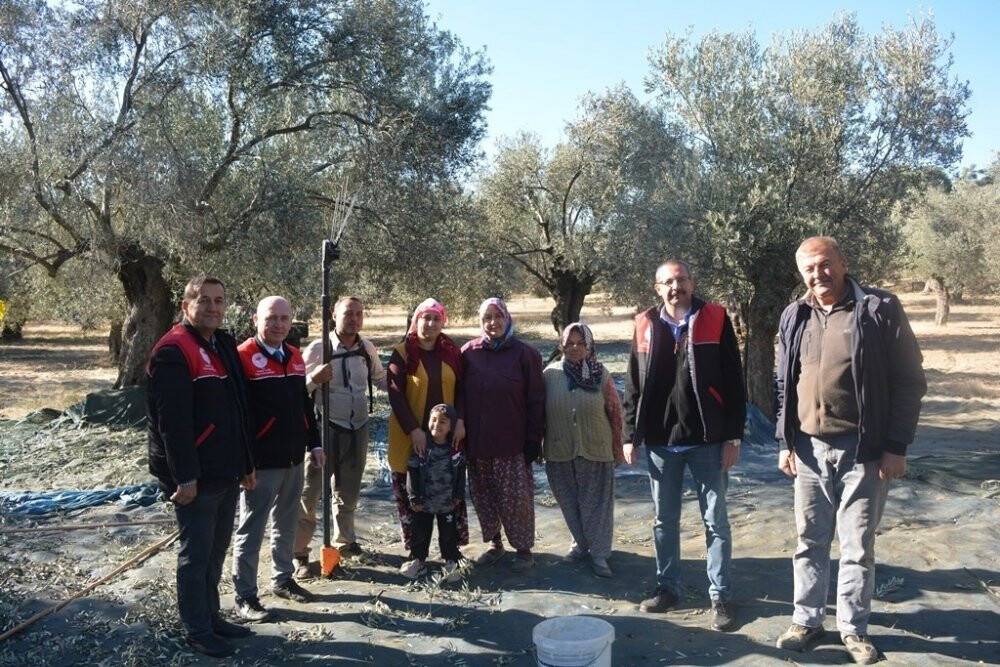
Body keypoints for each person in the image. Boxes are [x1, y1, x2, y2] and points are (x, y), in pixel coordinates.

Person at [774, 236, 926, 664]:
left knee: (857, 545)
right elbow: (784, 382)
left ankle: (853, 630)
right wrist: (785, 441)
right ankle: (806, 620)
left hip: (864, 450)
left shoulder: (879, 309)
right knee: (809, 540)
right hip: (806, 450)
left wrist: (896, 446)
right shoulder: (794, 315)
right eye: (808, 268)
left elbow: (910, 381)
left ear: (842, 262)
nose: (818, 274)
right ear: (800, 273)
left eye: (825, 264)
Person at [622, 260, 746, 632]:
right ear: (657, 288)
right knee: (664, 520)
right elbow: (632, 384)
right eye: (668, 282)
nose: (676, 287)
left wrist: (733, 435)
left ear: (692, 282)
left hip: (707, 440)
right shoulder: (645, 324)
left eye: (681, 280)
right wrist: (630, 435)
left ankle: (720, 595)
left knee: (716, 521)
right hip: (661, 442)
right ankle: (668, 588)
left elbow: (734, 381)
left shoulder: (715, 318)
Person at [146, 275, 256, 658]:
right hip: (196, 477)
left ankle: (212, 616)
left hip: (226, 470)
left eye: (219, 300)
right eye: (204, 300)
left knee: (216, 550)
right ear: (185, 306)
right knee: (195, 556)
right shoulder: (172, 351)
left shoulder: (222, 343)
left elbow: (239, 408)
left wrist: (246, 463)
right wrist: (184, 477)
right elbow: (171, 425)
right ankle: (196, 629)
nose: (213, 307)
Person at [231, 296, 321, 623]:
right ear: (256, 319)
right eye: (271, 318)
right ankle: (245, 596)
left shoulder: (295, 355)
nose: (278, 324)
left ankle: (282, 579)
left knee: (286, 521)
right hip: (260, 463)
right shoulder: (242, 357)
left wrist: (315, 443)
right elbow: (237, 415)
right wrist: (244, 462)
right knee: (251, 528)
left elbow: (304, 406)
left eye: (284, 318)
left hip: (294, 457)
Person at [294, 296, 387, 575]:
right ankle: (298, 553)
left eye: (359, 314)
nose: (354, 319)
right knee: (309, 494)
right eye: (348, 313)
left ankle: (344, 542)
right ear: (334, 315)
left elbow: (380, 379)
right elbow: (296, 390)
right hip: (324, 429)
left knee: (348, 491)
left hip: (358, 427)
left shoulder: (366, 348)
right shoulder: (318, 348)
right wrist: (314, 379)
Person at [461, 298, 545, 572]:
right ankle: (495, 545)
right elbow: (459, 395)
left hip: (512, 443)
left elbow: (536, 399)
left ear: (507, 318)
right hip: (478, 443)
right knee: (485, 497)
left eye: (498, 316)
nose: (493, 322)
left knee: (517, 500)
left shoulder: (525, 353)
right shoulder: (468, 352)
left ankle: (523, 550)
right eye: (487, 317)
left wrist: (534, 439)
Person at [387, 298, 469, 575]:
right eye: (426, 318)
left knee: (448, 495)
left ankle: (451, 555)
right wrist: (415, 430)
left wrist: (460, 422)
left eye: (436, 319)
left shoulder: (451, 352)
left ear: (442, 322)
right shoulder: (402, 352)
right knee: (415, 497)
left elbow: (462, 390)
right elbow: (395, 395)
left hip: (446, 440)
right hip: (410, 437)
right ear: (416, 320)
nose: (431, 324)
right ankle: (417, 555)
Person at [542, 322, 625, 578]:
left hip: (596, 448)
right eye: (569, 343)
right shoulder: (549, 375)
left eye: (580, 343)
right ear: (561, 345)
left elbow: (615, 413)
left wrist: (617, 448)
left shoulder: (601, 374)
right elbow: (538, 413)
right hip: (559, 450)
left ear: (590, 346)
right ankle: (580, 544)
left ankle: (599, 555)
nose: (574, 348)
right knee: (569, 502)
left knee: (597, 506)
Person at [402, 403, 468, 582]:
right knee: (420, 533)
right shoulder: (422, 447)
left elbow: (461, 474)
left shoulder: (455, 450)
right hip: (424, 504)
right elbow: (412, 472)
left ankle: (451, 562)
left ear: (451, 427)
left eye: (443, 422)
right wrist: (413, 497)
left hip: (447, 503)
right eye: (433, 420)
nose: (436, 425)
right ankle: (418, 561)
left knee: (448, 535)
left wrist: (458, 496)